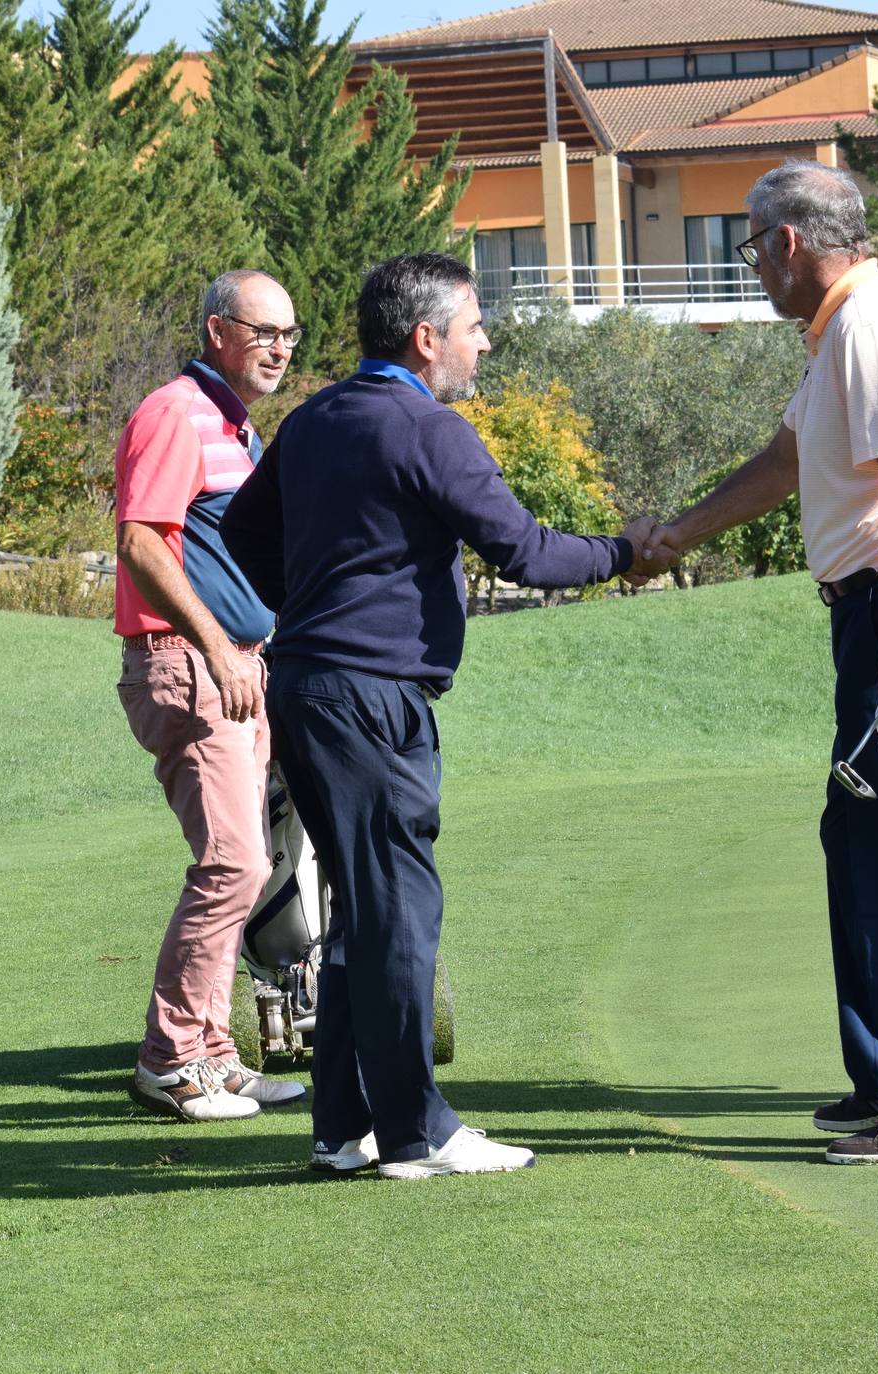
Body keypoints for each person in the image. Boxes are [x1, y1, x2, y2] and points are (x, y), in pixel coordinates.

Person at [221, 252, 660, 1179]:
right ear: (426, 339)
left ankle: (346, 1129)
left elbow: (242, 534)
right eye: (472, 326)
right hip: (369, 697)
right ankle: (418, 1132)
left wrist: (305, 600)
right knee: (400, 913)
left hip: (305, 687)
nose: (484, 341)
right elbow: (528, 553)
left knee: (361, 912)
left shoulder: (312, 420)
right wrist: (625, 552)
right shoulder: (428, 429)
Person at [640, 161, 878, 1165]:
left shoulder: (871, 324)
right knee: (857, 834)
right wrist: (674, 535)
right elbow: (785, 462)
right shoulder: (839, 332)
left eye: (753, 247)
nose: (752, 266)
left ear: (790, 242)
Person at [114, 269, 308, 1122]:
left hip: (235, 664)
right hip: (187, 663)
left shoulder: (235, 427)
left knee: (247, 863)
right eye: (263, 331)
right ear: (215, 330)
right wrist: (217, 647)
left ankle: (215, 1055)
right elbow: (139, 543)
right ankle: (170, 1061)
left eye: (289, 335)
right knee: (234, 861)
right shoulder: (174, 412)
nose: (279, 349)